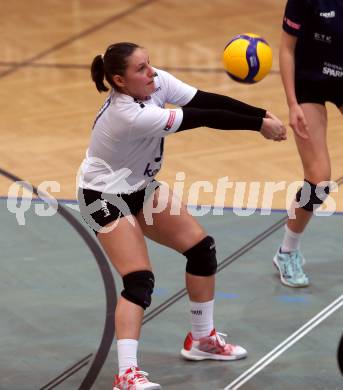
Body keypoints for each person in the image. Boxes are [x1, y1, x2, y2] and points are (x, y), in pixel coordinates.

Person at [77, 42, 286, 390]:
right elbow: (203, 117)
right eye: (141, 69)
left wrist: (262, 113)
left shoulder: (156, 84)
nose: (152, 72)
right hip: (102, 195)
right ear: (120, 80)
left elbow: (205, 100)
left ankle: (202, 339)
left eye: (150, 63)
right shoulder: (128, 114)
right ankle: (126, 374)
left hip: (140, 187)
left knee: (201, 249)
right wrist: (257, 126)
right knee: (139, 280)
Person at [273, 0, 343, 287]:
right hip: (309, 83)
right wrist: (292, 104)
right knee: (319, 180)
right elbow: (287, 48)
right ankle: (287, 251)